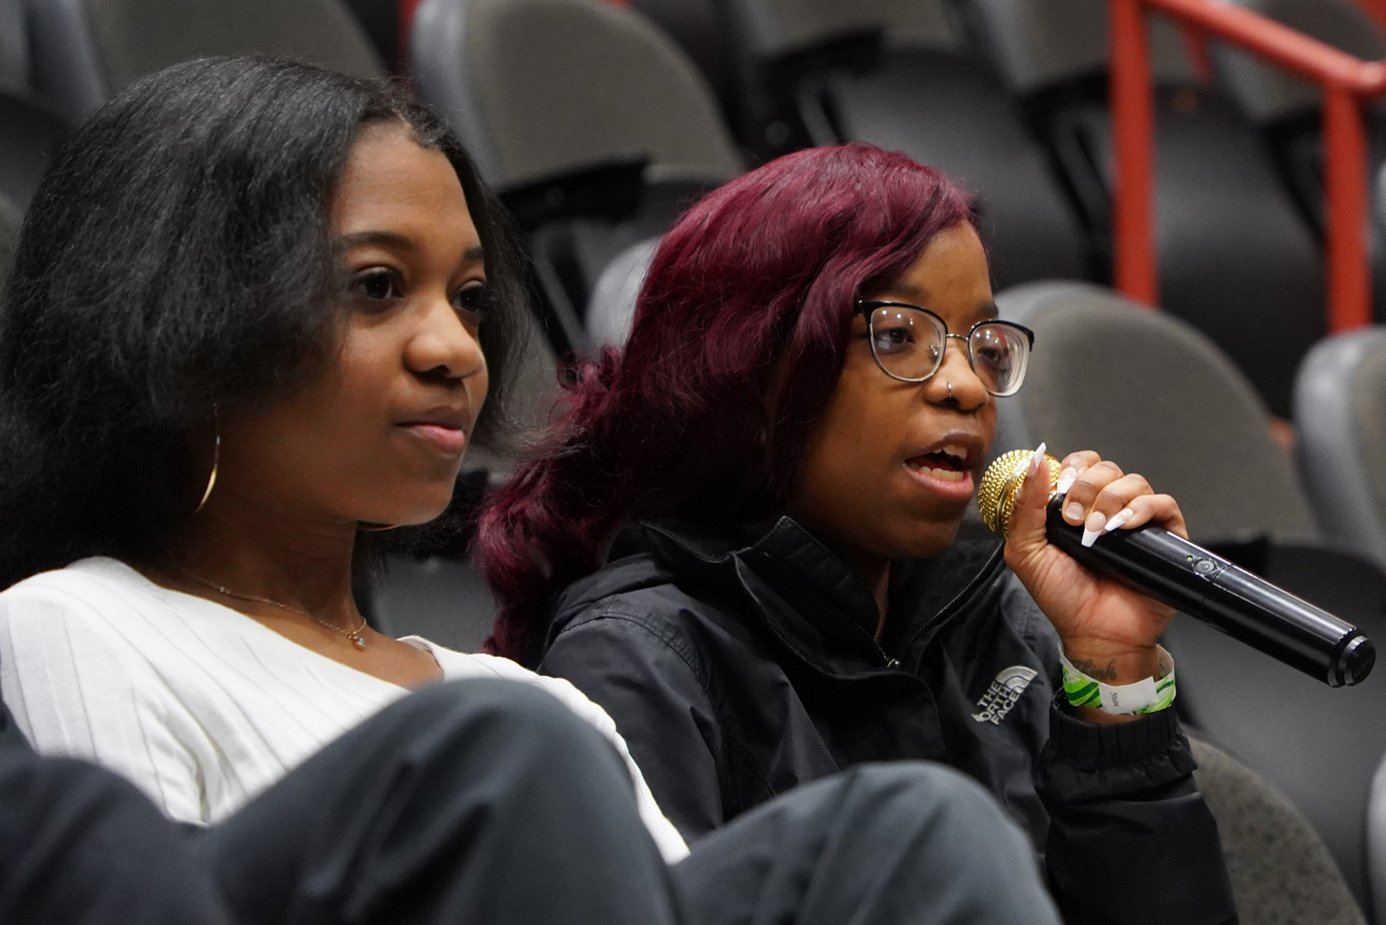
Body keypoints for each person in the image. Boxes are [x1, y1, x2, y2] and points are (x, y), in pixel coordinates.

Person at [0, 56, 1063, 924]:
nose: (458, 349)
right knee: (506, 759)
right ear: (185, 311)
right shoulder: (73, 624)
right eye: (378, 287)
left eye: (468, 298)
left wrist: (1119, 693)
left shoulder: (532, 696)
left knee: (923, 830)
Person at [476, 144, 1239, 925]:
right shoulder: (641, 660)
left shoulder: (998, 614)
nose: (965, 385)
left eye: (982, 344)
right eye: (900, 334)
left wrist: (1114, 675)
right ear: (752, 368)